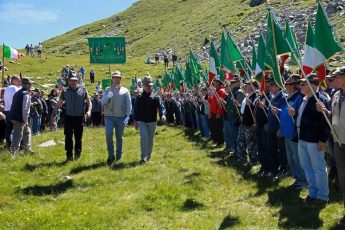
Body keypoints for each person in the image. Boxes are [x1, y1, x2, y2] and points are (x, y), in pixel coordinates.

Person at [295, 74, 330, 204]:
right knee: (306, 166)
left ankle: (322, 195)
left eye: (303, 84)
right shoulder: (305, 99)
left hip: (314, 140)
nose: (300, 86)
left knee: (318, 168)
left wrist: (322, 139)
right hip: (303, 138)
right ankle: (313, 192)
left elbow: (325, 122)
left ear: (312, 86)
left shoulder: (320, 100)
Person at [316, 66, 345, 221]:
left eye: (338, 77)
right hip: (338, 141)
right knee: (343, 177)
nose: (335, 80)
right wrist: (324, 111)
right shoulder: (336, 95)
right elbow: (333, 116)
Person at [51, 75, 91, 161]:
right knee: (68, 137)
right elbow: (59, 103)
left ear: (77, 81)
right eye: (71, 81)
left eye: (75, 80)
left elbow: (88, 101)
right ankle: (69, 155)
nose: (73, 82)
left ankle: (77, 154)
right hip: (68, 117)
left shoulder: (83, 90)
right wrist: (53, 113)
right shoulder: (65, 91)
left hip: (79, 117)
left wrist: (89, 111)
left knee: (78, 137)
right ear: (68, 81)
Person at [133, 75, 166, 163]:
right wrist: (135, 121)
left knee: (150, 140)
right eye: (147, 85)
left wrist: (162, 115)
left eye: (150, 85)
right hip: (142, 121)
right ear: (143, 85)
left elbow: (161, 106)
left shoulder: (155, 96)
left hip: (152, 121)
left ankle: (148, 155)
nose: (149, 87)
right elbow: (135, 110)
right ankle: (143, 157)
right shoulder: (139, 97)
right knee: (144, 137)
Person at [101, 71, 131, 164]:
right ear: (112, 78)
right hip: (109, 116)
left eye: (118, 77)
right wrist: (108, 97)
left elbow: (128, 104)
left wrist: (128, 116)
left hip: (120, 117)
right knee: (109, 134)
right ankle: (111, 155)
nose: (116, 79)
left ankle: (118, 156)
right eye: (114, 77)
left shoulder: (125, 90)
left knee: (119, 137)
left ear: (120, 79)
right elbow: (103, 102)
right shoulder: (107, 89)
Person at [8, 77, 33, 156]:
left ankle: (27, 149)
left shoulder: (18, 92)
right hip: (20, 118)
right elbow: (25, 108)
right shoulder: (26, 94)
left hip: (14, 116)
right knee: (18, 135)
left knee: (27, 132)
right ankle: (13, 153)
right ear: (28, 85)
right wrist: (25, 121)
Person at [3, 75, 22, 148]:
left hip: (7, 110)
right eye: (18, 81)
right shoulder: (14, 88)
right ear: (13, 80)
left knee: (9, 129)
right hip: (13, 110)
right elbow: (18, 98)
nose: (20, 83)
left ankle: (8, 145)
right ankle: (14, 146)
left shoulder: (7, 88)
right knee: (15, 129)